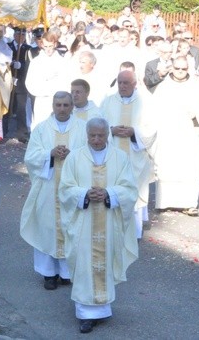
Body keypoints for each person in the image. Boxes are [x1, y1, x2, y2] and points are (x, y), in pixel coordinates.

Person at [59, 118, 139, 334]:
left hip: (109, 220)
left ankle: (102, 310)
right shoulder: (75, 157)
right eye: (92, 135)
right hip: (83, 222)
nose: (96, 140)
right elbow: (65, 189)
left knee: (105, 260)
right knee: (84, 263)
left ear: (107, 135)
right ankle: (85, 313)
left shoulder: (119, 157)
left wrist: (109, 194)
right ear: (87, 135)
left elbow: (130, 189)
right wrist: (84, 193)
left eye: (100, 136)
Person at [20, 92, 87, 290]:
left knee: (71, 227)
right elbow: (30, 156)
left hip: (72, 187)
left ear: (72, 106)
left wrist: (71, 154)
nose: (62, 109)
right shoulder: (41, 129)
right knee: (47, 228)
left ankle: (67, 272)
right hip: (48, 186)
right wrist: (50, 154)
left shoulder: (83, 128)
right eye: (58, 105)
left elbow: (87, 153)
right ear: (52, 105)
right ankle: (48, 273)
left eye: (66, 105)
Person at [99, 71, 157, 238]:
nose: (122, 86)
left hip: (135, 156)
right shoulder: (108, 101)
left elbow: (152, 128)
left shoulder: (145, 103)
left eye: (126, 83)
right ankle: (112, 231)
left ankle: (135, 233)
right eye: (120, 83)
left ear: (134, 84)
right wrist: (111, 131)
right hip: (112, 156)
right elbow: (99, 124)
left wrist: (134, 132)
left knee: (134, 194)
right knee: (112, 190)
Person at [152, 57, 199, 216]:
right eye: (177, 68)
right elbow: (154, 111)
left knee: (188, 167)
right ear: (172, 68)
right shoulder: (163, 87)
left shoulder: (196, 87)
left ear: (187, 69)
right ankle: (165, 202)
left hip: (189, 135)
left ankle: (189, 203)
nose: (180, 71)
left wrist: (194, 117)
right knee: (167, 167)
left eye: (183, 69)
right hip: (168, 134)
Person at [26, 32, 68, 129]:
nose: (48, 49)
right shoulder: (36, 62)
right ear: (41, 45)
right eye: (46, 46)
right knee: (42, 127)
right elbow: (30, 83)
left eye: (50, 46)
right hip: (42, 100)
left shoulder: (62, 62)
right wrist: (45, 88)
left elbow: (66, 80)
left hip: (58, 100)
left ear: (55, 44)